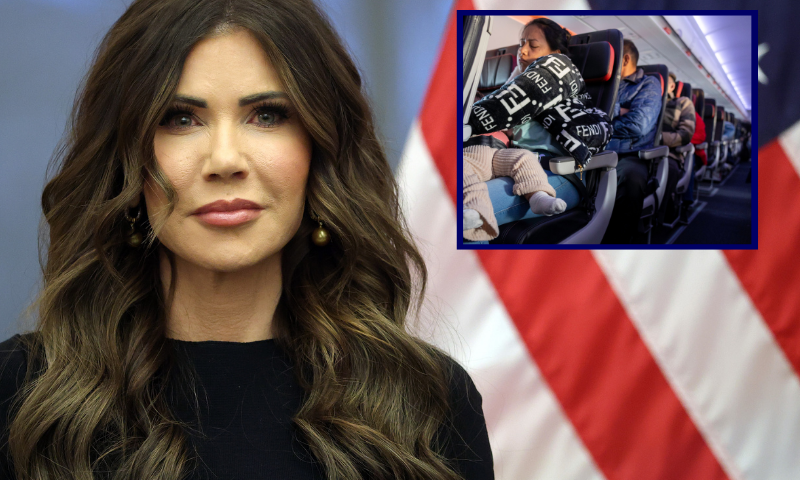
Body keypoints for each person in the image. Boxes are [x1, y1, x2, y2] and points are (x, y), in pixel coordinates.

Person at [0, 1, 493, 479]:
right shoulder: (21, 396)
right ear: (127, 160)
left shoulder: (429, 402)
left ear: (319, 151)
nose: (225, 160)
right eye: (180, 118)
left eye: (266, 115)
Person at [463, 18, 612, 242]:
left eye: (533, 45)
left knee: (462, 211)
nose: (522, 51)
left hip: (556, 171)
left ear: (555, 51)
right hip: (511, 166)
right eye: (522, 43)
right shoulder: (517, 80)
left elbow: (501, 107)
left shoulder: (558, 68)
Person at [601, 38, 663, 244]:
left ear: (625, 59)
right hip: (598, 151)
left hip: (629, 154)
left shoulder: (648, 84)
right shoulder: (607, 83)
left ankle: (619, 243)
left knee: (629, 178)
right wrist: (621, 110)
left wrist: (604, 120)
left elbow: (639, 125)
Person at [659, 73, 696, 222]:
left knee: (669, 169)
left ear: (672, 86)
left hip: (669, 154)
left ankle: (659, 218)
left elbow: (686, 134)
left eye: (664, 83)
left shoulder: (683, 102)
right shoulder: (649, 99)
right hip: (641, 150)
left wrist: (659, 139)